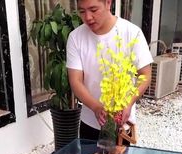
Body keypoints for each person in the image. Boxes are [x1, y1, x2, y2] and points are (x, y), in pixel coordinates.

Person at [66, 0, 153, 141]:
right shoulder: (76, 37)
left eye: (93, 10)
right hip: (89, 121)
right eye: (82, 11)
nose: (88, 17)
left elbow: (145, 74)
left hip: (121, 123)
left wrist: (128, 103)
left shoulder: (131, 32)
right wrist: (95, 107)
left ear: (108, 3)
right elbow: (75, 80)